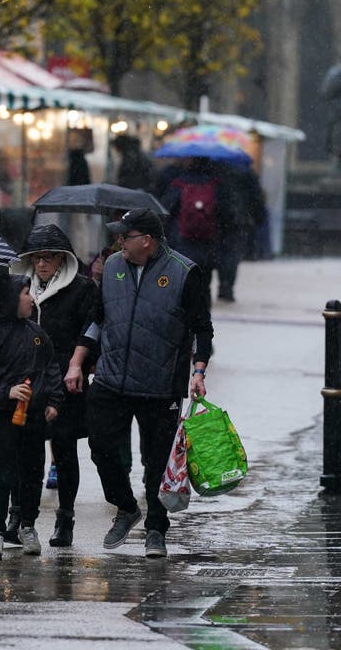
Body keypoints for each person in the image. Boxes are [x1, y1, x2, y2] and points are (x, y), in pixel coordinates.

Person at [67, 208, 212, 559]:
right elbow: (98, 319)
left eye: (125, 236)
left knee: (156, 462)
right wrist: (76, 362)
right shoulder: (113, 266)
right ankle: (126, 507)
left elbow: (202, 328)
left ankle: (155, 530)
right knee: (100, 447)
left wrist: (198, 372)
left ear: (146, 240)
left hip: (160, 384)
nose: (119, 242)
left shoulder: (183, 272)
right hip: (111, 378)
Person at [8, 224, 100, 547]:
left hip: (64, 380)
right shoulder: (21, 289)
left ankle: (65, 519)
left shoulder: (82, 289)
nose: (42, 264)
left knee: (64, 449)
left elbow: (90, 330)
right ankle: (17, 514)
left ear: (62, 259)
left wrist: (77, 365)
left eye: (49, 258)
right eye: (37, 258)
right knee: (23, 450)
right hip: (26, 381)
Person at [0, 272, 62, 560]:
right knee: (2, 475)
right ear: (10, 300)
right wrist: (5, 391)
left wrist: (54, 401)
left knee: (32, 473)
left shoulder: (37, 334)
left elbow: (52, 368)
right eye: (25, 294)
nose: (31, 299)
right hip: (1, 420)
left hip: (34, 420)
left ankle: (28, 525)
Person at [159, 157, 223, 295]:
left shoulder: (179, 183)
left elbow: (165, 210)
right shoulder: (215, 185)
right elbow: (223, 213)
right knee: (204, 283)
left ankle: (185, 311)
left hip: (182, 239)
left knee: (182, 280)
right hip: (207, 242)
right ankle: (203, 312)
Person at [215, 162, 266, 303]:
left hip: (216, 219)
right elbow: (256, 197)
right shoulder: (246, 172)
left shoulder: (214, 169)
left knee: (219, 253)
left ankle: (220, 285)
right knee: (232, 254)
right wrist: (258, 217)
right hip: (239, 220)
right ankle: (226, 287)